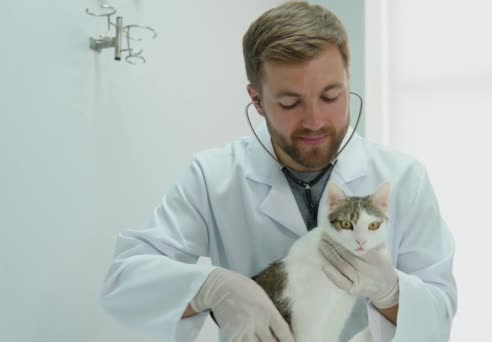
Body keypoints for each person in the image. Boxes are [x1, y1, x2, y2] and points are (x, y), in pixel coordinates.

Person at [100, 2, 457, 342]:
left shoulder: (403, 177)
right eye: (290, 103)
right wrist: (212, 287)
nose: (315, 121)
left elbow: (439, 314)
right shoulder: (214, 178)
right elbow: (123, 281)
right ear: (257, 100)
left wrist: (390, 291)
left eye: (331, 96)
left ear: (348, 81)